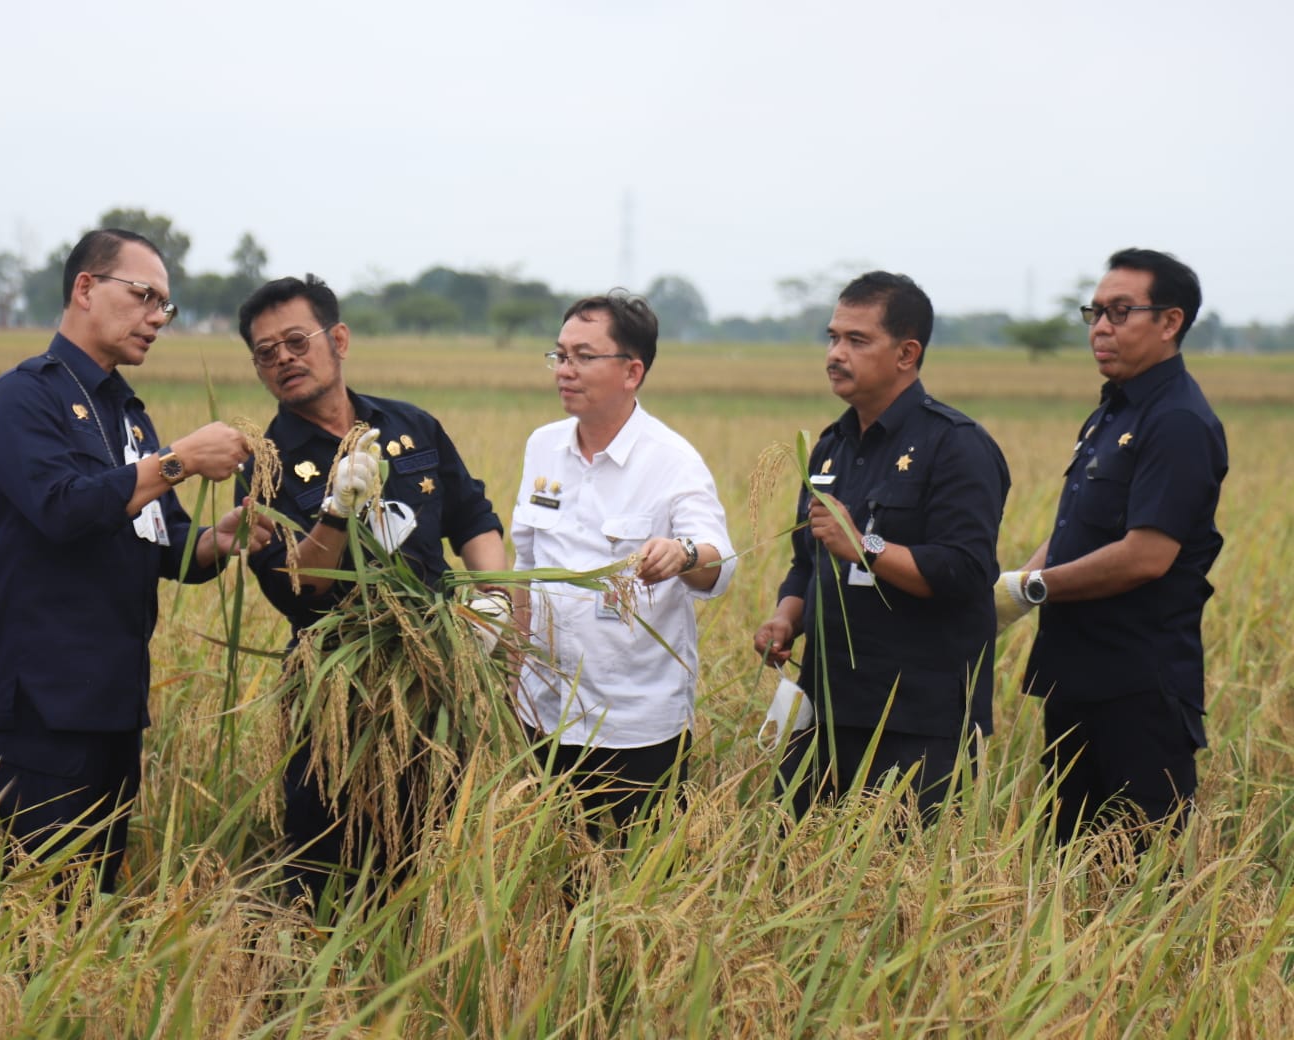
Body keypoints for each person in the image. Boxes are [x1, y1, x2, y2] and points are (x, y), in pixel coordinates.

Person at [0, 229, 256, 894]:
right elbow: (62, 509)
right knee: (44, 906)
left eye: (166, 306)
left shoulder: (127, 413)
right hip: (41, 708)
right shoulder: (23, 398)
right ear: (85, 288)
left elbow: (169, 543)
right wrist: (179, 461)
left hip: (114, 704)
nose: (157, 317)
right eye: (143, 296)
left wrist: (222, 538)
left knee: (95, 901)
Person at [236, 273, 507, 901]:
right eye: (266, 352)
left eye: (297, 341)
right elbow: (294, 588)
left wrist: (494, 601)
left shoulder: (412, 426)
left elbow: (472, 517)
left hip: (436, 681)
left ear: (338, 340)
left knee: (436, 861)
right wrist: (335, 512)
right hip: (335, 693)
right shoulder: (264, 465)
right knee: (329, 871)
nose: (284, 359)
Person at [754, 271, 1009, 818]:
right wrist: (785, 618)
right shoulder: (829, 448)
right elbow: (807, 563)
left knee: (903, 868)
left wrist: (865, 544)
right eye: (832, 337)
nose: (835, 354)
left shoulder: (956, 446)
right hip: (823, 711)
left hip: (916, 723)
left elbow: (965, 571)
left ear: (906, 353)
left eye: (857, 340)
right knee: (795, 857)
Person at [997, 248, 1227, 844]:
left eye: (1120, 312)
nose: (1100, 327)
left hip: (1138, 689)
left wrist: (1033, 588)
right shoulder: (1113, 412)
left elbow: (1146, 555)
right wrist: (1009, 591)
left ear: (1170, 322)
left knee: (1139, 869)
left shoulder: (1177, 421)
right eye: (1094, 312)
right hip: (1077, 677)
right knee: (1071, 869)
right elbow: (1078, 529)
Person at [511, 291, 736, 834]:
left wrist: (681, 554)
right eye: (560, 355)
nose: (565, 370)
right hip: (544, 713)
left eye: (584, 357)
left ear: (632, 371)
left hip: (636, 724)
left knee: (641, 870)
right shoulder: (543, 446)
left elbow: (719, 561)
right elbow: (525, 566)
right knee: (553, 862)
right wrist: (511, 678)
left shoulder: (671, 460)